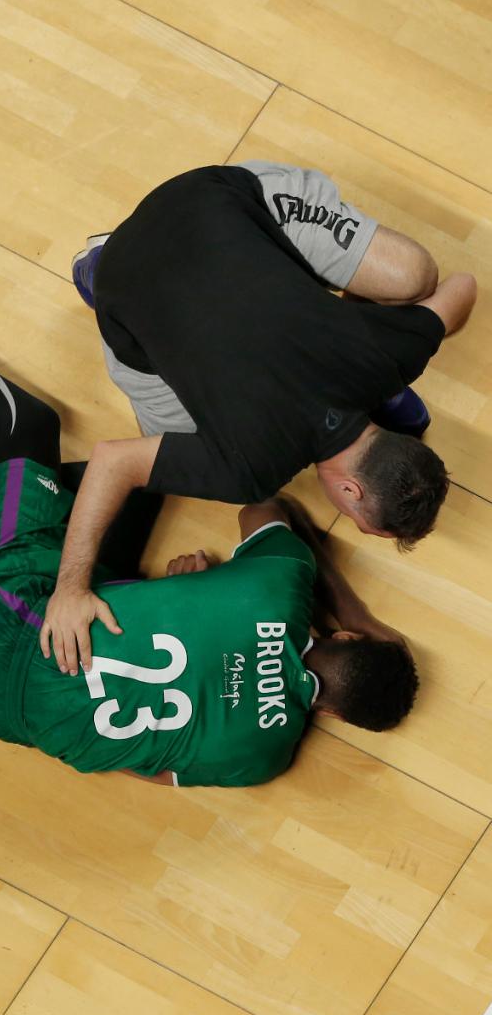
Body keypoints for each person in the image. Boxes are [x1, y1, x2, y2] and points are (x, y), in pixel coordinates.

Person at [0, 166, 418, 788]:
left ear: (349, 636)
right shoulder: (259, 760)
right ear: (332, 719)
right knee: (146, 483)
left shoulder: (282, 589)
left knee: (24, 427)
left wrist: (341, 606)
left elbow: (262, 506)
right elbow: (144, 765)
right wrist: (170, 609)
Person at [47, 162, 478, 674]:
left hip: (198, 195)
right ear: (351, 493)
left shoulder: (389, 357)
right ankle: (98, 266)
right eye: (361, 524)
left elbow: (464, 285)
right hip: (129, 271)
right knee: (169, 446)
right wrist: (70, 587)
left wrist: (355, 326)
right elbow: (111, 461)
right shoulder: (248, 470)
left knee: (413, 278)